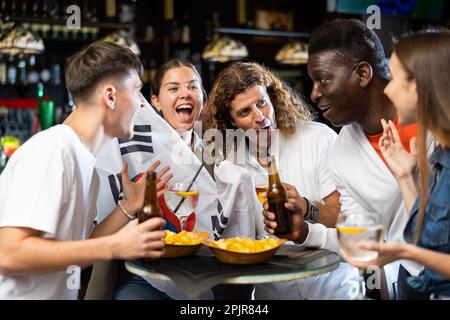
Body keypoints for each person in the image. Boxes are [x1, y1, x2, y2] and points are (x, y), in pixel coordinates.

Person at [264, 19, 432, 299]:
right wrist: (306, 232)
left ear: (362, 73)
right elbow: (362, 236)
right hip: (412, 281)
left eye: (323, 79)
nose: (314, 93)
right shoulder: (343, 149)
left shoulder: (433, 116)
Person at [0, 41, 169, 300]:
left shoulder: (85, 159)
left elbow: (78, 246)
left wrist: (128, 205)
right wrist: (114, 246)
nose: (143, 105)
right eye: (137, 91)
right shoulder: (53, 150)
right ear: (110, 96)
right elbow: (8, 254)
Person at [94, 59, 259, 300]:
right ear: (155, 102)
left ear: (201, 98)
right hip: (147, 275)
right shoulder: (131, 147)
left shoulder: (220, 155)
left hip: (209, 273)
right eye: (173, 88)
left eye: (193, 87)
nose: (185, 94)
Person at [205, 61, 360, 300]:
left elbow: (350, 219)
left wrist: (307, 207)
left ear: (273, 99)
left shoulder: (318, 139)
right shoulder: (231, 167)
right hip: (275, 293)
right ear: (231, 122)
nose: (260, 117)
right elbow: (238, 239)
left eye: (261, 103)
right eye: (245, 112)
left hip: (332, 286)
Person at [341, 30, 450, 299]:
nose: (387, 88)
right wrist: (404, 175)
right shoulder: (441, 157)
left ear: (418, 85)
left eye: (394, 77)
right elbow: (429, 240)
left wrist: (402, 251)